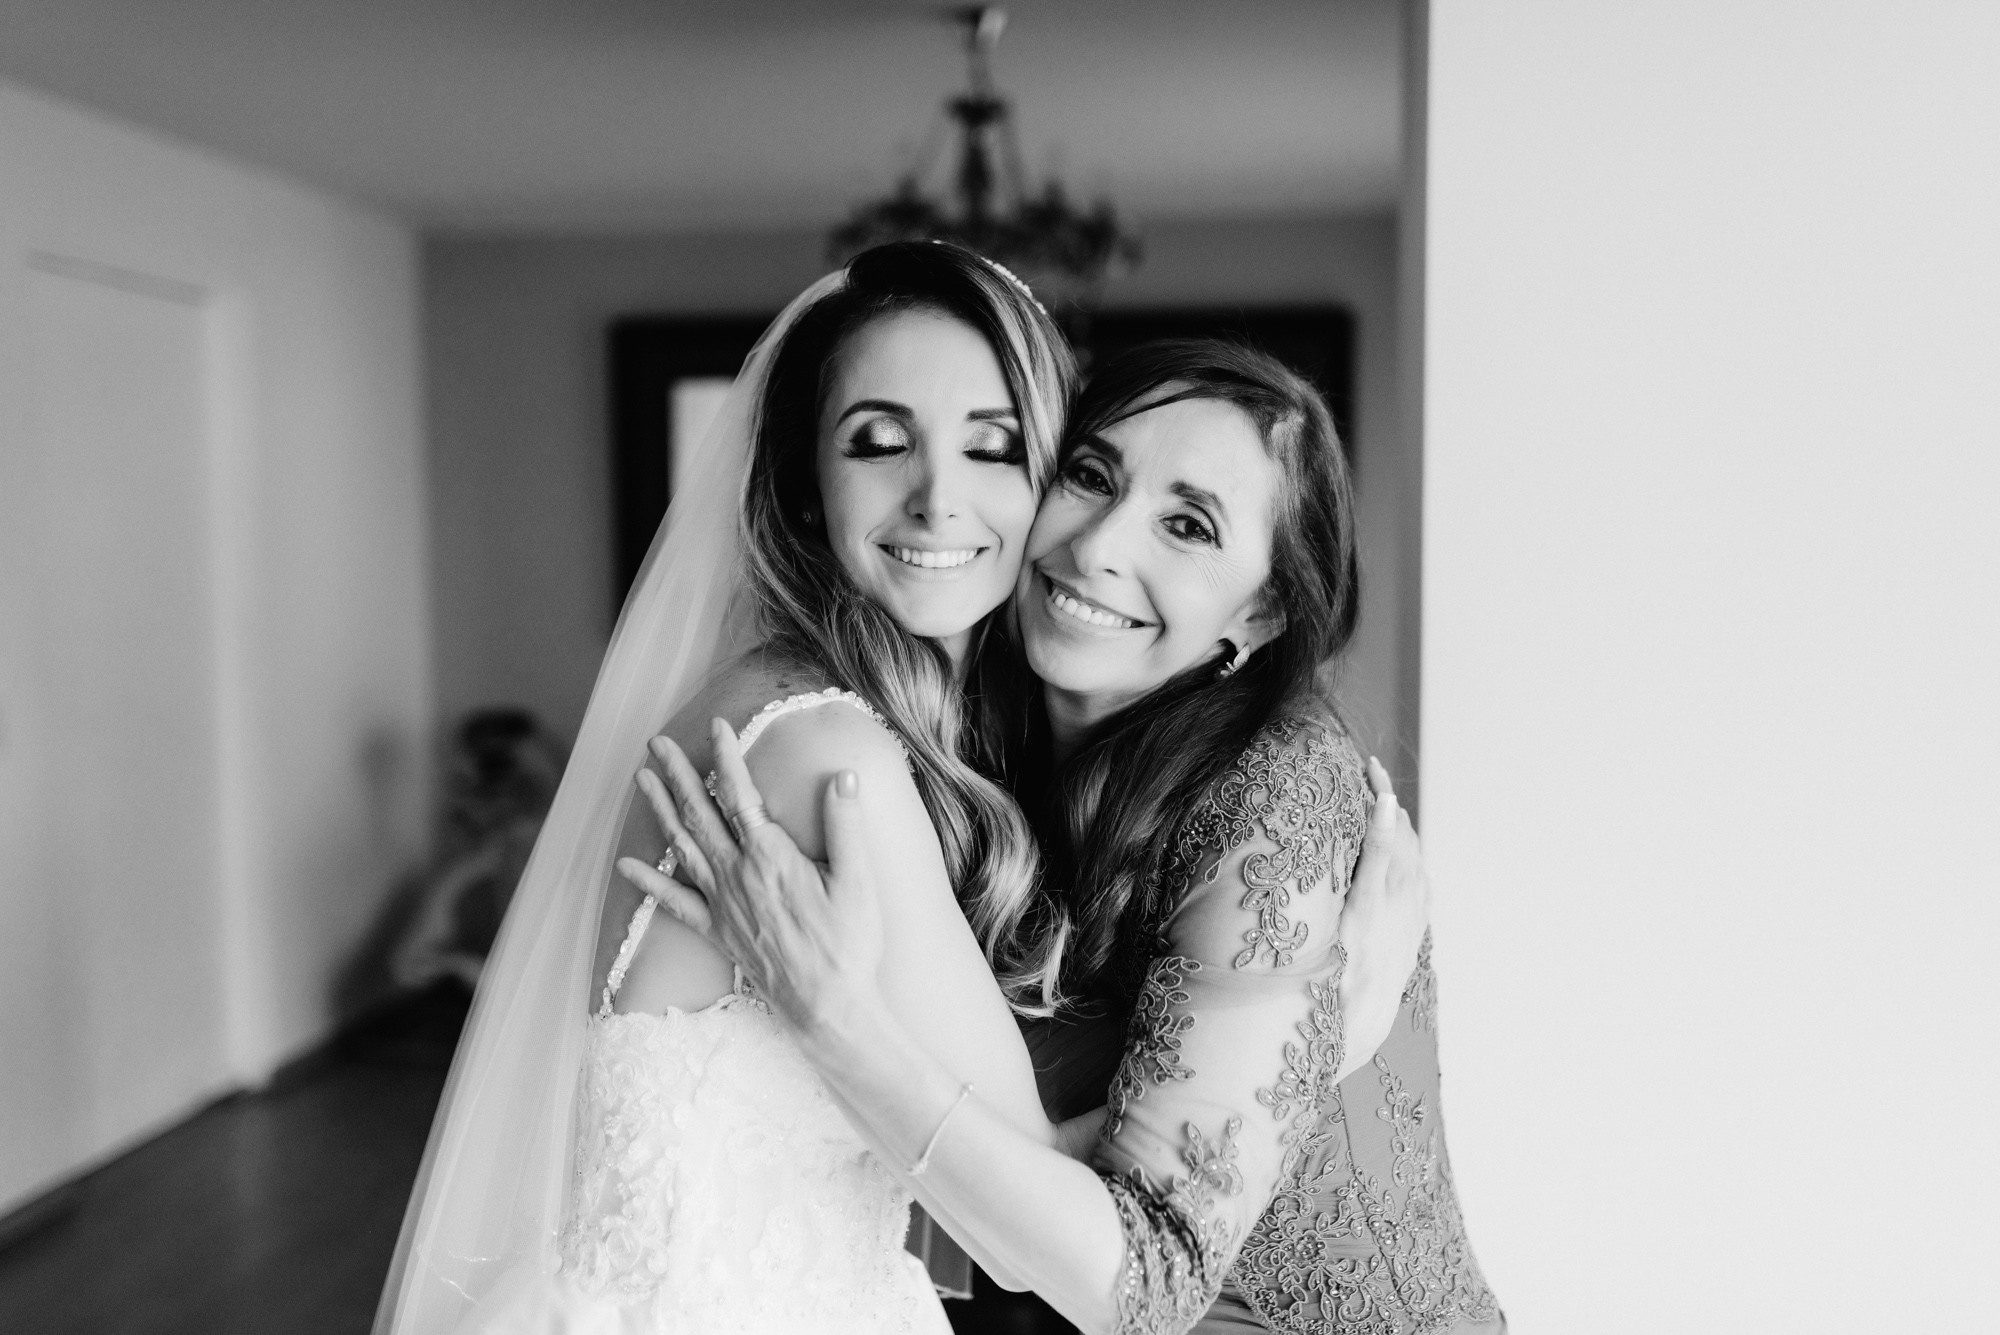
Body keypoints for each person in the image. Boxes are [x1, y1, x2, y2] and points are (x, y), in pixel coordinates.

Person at [628, 342, 1499, 1333]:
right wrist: (1323, 1045)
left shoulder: (1277, 812)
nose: (1096, 548)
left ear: (1257, 611)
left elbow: (1143, 1283)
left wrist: (836, 1023)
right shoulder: (979, 731)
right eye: (1090, 477)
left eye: (1185, 525)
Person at [374, 241, 1081, 1335]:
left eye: (991, 448)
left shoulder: (763, 703)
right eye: (879, 442)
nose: (940, 498)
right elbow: (1024, 1210)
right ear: (803, 486)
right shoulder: (824, 757)